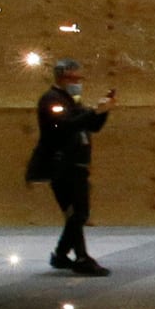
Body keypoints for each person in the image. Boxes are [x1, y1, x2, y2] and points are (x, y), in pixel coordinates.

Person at [27, 58, 115, 277]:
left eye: (78, 79)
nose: (77, 82)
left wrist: (103, 110)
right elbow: (63, 126)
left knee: (78, 214)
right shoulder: (51, 100)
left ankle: (60, 255)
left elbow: (92, 126)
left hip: (76, 164)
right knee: (76, 213)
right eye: (72, 78)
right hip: (61, 165)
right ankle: (81, 257)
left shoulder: (72, 101)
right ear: (60, 77)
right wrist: (94, 112)